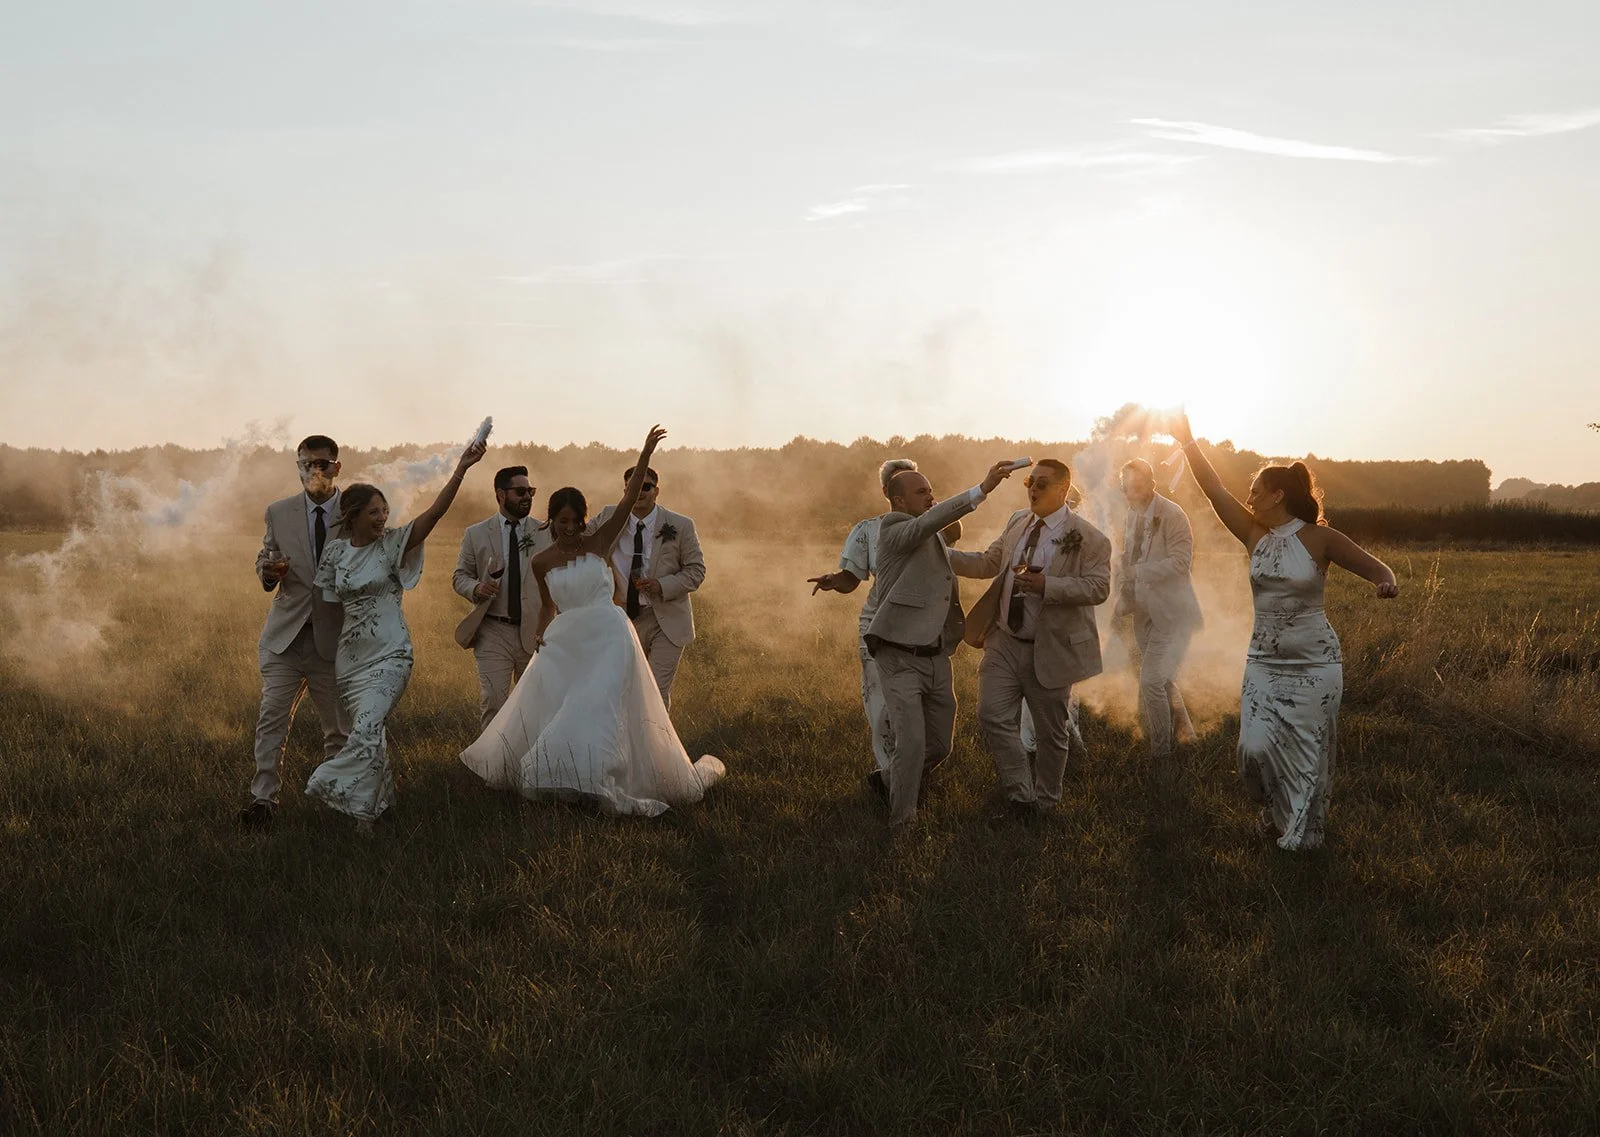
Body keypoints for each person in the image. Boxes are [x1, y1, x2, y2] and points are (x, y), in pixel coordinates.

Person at [460, 427, 725, 816]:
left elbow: (629, 499)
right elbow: (549, 606)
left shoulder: (598, 544)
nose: (569, 528)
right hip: (567, 640)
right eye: (562, 521)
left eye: (576, 520)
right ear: (550, 521)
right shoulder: (542, 561)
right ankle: (566, 774)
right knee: (560, 704)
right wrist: (538, 631)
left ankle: (604, 778)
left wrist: (646, 452)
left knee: (599, 703)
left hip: (610, 636)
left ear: (585, 520)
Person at [1171, 412, 1398, 850]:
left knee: (1308, 753)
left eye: (1256, 490)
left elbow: (1376, 566)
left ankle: (1302, 834)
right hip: (1263, 661)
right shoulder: (1253, 534)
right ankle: (1275, 812)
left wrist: (1385, 582)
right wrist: (1188, 443)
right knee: (1253, 751)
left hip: (1315, 662)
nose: (1249, 496)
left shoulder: (1319, 538)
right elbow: (1214, 489)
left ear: (1277, 495)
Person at [305, 440, 487, 830]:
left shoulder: (392, 544)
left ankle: (332, 785)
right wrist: (323, 652)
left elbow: (435, 514)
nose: (382, 517)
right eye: (374, 512)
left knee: (368, 727)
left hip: (390, 654)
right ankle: (377, 811)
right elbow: (324, 605)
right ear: (352, 517)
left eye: (384, 510)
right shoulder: (336, 554)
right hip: (349, 661)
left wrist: (461, 469)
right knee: (371, 734)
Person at [949, 460, 1111, 817]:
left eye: (1041, 483)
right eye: (1029, 482)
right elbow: (989, 563)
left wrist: (1047, 586)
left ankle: (1047, 803)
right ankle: (1021, 796)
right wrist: (939, 555)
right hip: (1004, 640)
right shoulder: (1017, 521)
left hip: (1050, 648)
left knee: (1052, 735)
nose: (1033, 489)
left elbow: (1099, 587)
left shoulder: (1089, 537)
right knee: (991, 715)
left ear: (1063, 489)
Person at [867, 457, 1017, 830]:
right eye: (921, 492)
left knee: (940, 746)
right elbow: (933, 522)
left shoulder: (930, 539)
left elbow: (979, 565)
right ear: (897, 502)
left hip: (937, 656)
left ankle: (887, 781)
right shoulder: (893, 529)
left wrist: (1013, 541)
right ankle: (903, 825)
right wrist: (982, 489)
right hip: (899, 656)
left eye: (931, 490)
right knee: (912, 744)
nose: (930, 496)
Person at [807, 458, 967, 800]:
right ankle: (894, 782)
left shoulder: (933, 524)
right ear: (890, 493)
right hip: (881, 627)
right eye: (902, 483)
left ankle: (898, 777)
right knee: (884, 711)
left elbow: (954, 533)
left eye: (923, 486)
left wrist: (933, 511)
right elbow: (853, 578)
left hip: (925, 631)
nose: (920, 492)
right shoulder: (868, 530)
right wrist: (834, 580)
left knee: (928, 716)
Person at [239, 435, 350, 831]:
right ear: (298, 467)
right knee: (271, 719)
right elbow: (265, 556)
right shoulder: (278, 511)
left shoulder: (355, 510)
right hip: (285, 637)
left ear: (337, 467)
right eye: (306, 464)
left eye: (322, 464)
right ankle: (263, 800)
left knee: (338, 728)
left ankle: (337, 801)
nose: (314, 471)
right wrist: (268, 572)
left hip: (334, 639)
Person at [591, 463, 706, 709]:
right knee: (624, 688)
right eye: (633, 487)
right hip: (623, 619)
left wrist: (662, 585)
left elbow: (697, 571)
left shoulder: (681, 525)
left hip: (666, 619)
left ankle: (658, 745)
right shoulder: (609, 516)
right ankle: (630, 745)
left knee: (655, 690)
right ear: (625, 491)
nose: (640, 492)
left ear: (657, 491)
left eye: (646, 487)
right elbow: (577, 538)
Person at [1113, 457, 1203, 762]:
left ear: (1152, 484)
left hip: (1174, 614)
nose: (1131, 493)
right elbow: (1129, 553)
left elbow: (1181, 563)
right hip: (1143, 611)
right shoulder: (1131, 514)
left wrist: (1139, 572)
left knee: (1151, 681)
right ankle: (1188, 738)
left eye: (1137, 487)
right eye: (1126, 488)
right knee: (1163, 679)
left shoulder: (1173, 515)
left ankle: (1161, 756)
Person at [453, 465, 554, 728]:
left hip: (535, 632)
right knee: (494, 703)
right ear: (500, 494)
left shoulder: (544, 531)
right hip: (493, 630)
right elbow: (460, 576)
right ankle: (490, 768)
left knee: (531, 706)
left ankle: (528, 766)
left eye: (530, 491)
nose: (527, 497)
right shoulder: (475, 533)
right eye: (520, 491)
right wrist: (476, 588)